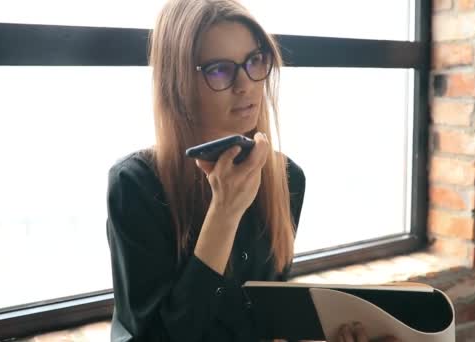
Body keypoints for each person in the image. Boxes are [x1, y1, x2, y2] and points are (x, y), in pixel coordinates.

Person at [106, 0, 396, 341]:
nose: (245, 84)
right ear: (178, 83)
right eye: (219, 69)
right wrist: (224, 213)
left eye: (254, 61)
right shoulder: (136, 185)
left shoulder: (287, 178)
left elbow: (264, 323)